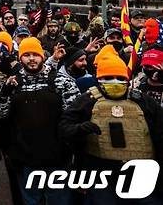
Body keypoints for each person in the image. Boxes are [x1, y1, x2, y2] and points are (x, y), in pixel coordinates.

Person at [60, 46, 163, 204]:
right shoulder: (87, 100)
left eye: (119, 78)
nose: (114, 82)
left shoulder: (143, 101)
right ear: (99, 79)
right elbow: (64, 128)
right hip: (102, 173)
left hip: (140, 173)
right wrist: (80, 129)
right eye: (108, 78)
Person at [0, 37, 80, 205]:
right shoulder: (12, 82)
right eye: (26, 55)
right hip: (25, 160)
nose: (31, 59)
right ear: (20, 58)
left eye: (35, 54)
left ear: (42, 56)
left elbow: (73, 117)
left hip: (58, 159)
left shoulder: (62, 82)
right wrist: (4, 93)